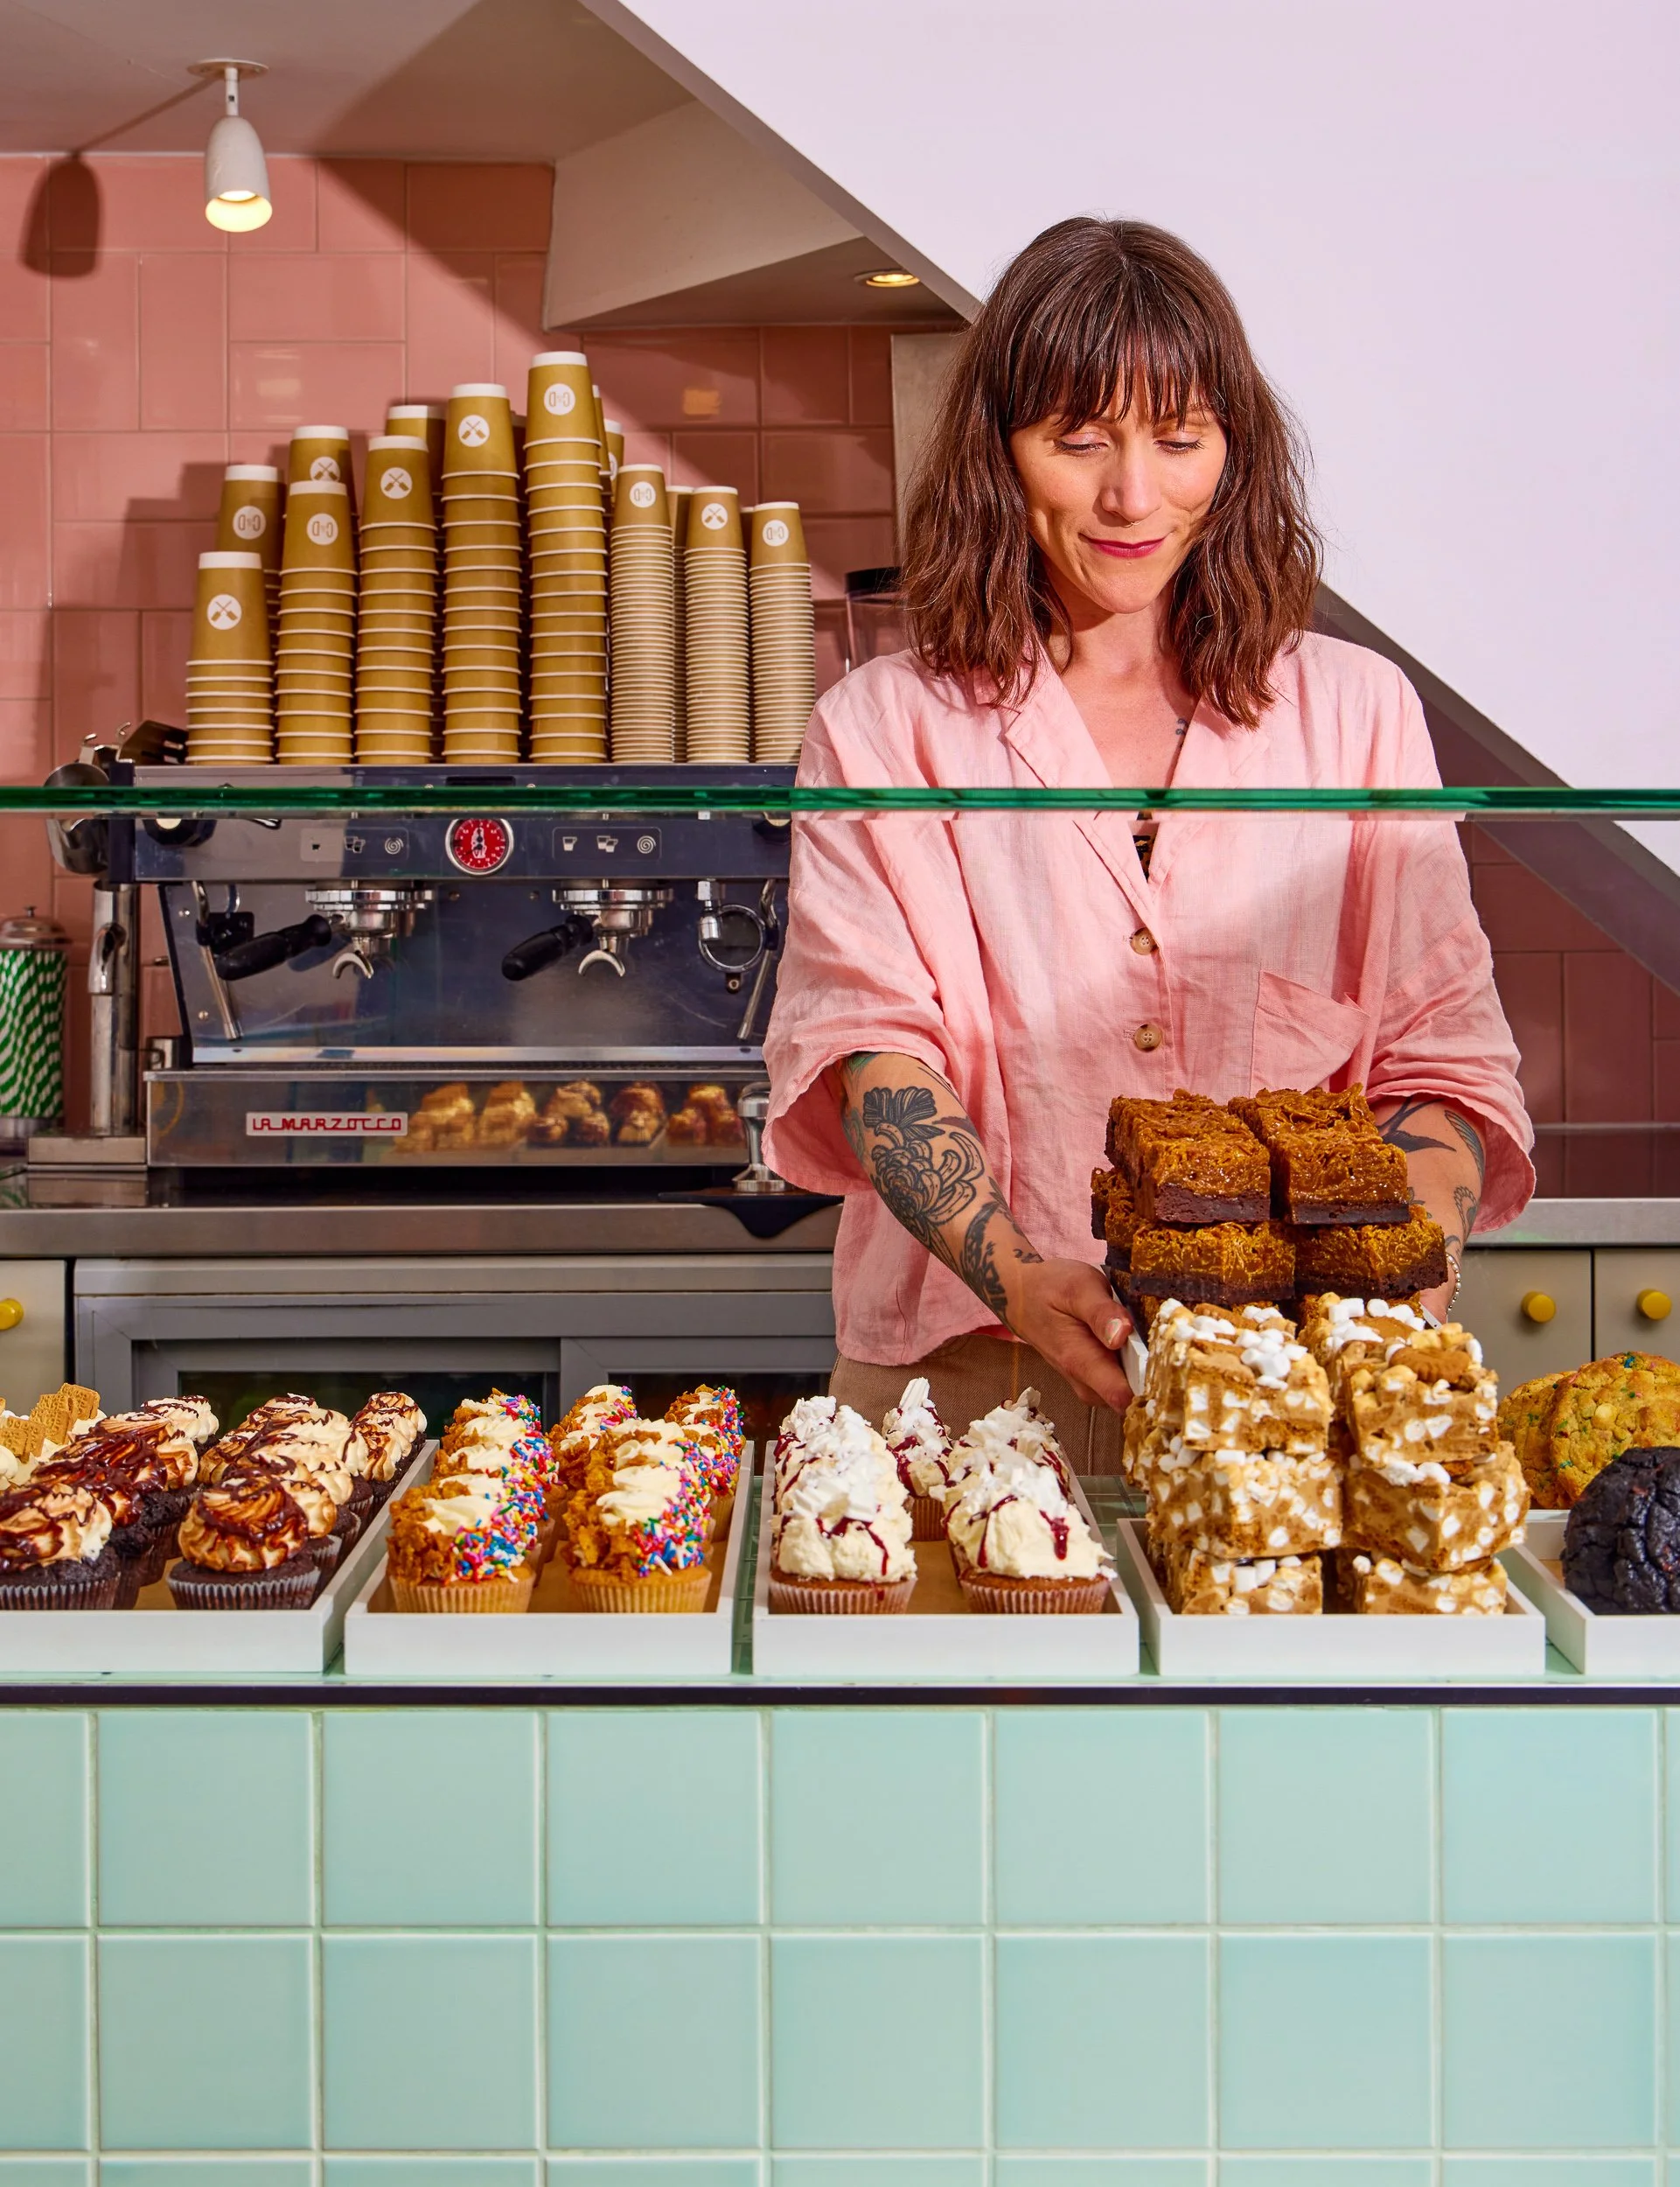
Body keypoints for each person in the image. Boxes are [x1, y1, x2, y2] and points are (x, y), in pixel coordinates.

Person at [762, 217, 1532, 1467]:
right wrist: (1016, 1274)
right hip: (967, 1380)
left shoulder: (1356, 712)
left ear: (1234, 451)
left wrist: (1398, 1271)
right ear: (999, 455)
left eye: (1180, 440)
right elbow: (870, 1051)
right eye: (1079, 440)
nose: (1133, 496)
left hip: (1281, 1395)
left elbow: (1442, 1057)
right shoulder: (883, 727)